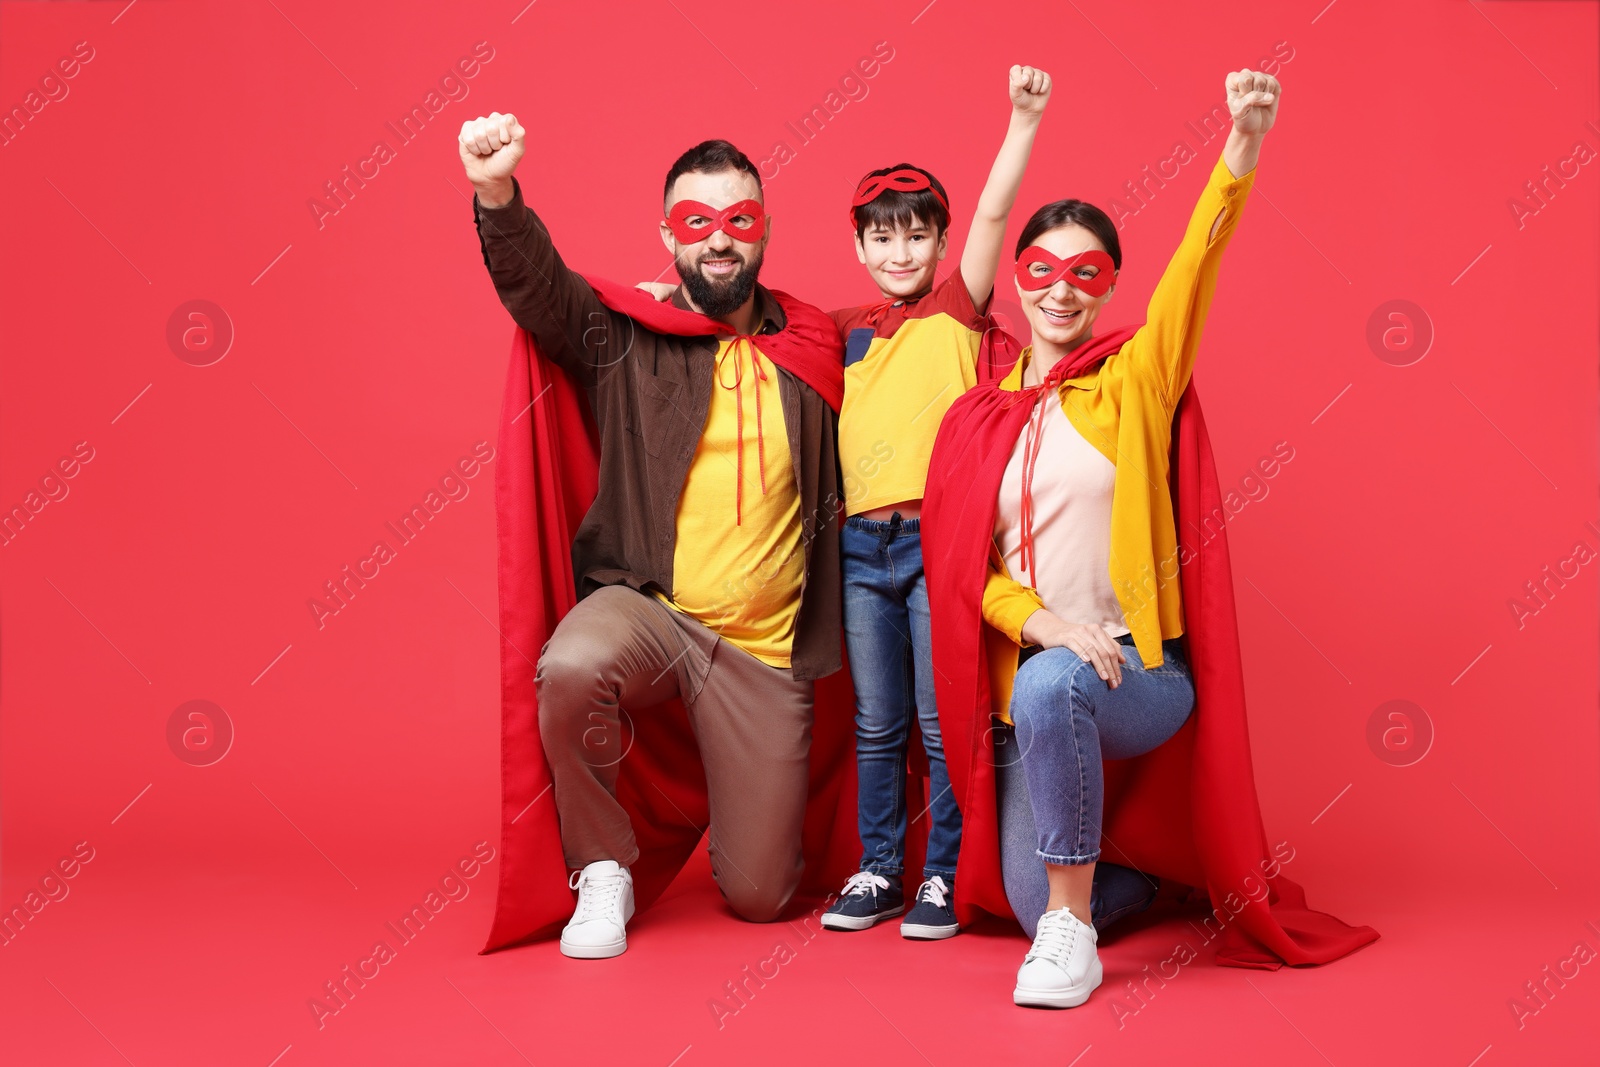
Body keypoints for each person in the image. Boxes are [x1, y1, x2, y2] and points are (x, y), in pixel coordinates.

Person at [924, 68, 1374, 1008]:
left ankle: (1073, 936)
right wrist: (1042, 620)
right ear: (1018, 279)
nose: (1061, 290)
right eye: (1042, 269)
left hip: (1141, 672)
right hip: (1038, 671)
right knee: (1013, 888)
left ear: (1110, 285)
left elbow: (1194, 273)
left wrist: (1240, 147)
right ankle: (1129, 890)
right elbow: (966, 573)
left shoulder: (1135, 381)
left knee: (1055, 690)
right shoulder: (977, 417)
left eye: (1087, 272)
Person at [461, 116, 848, 959]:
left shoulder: (816, 342)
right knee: (569, 664)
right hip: (654, 612)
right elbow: (543, 293)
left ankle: (732, 815)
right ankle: (602, 865)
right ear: (667, 233)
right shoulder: (628, 333)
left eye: (738, 220)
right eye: (696, 222)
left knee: (759, 895)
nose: (719, 240)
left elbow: (921, 332)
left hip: (767, 651)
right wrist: (497, 192)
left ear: (766, 231)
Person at [818, 65, 1051, 940]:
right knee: (876, 724)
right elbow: (749, 324)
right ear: (859, 248)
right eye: (883, 239)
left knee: (938, 717)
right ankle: (880, 867)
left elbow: (996, 216)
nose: (901, 252)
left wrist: (1021, 121)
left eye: (918, 236)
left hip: (933, 547)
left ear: (943, 243)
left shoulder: (957, 310)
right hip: (859, 551)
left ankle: (944, 876)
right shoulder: (845, 329)